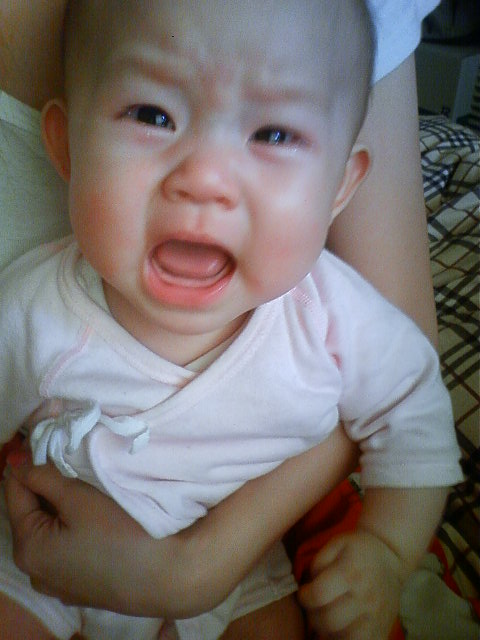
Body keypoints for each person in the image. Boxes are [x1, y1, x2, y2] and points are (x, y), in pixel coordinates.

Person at [0, 1, 463, 639]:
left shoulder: (332, 319)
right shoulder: (33, 310)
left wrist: (386, 549)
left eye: (272, 135)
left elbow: (415, 413)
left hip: (242, 568)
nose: (205, 179)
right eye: (153, 116)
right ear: (66, 148)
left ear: (338, 188)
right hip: (41, 550)